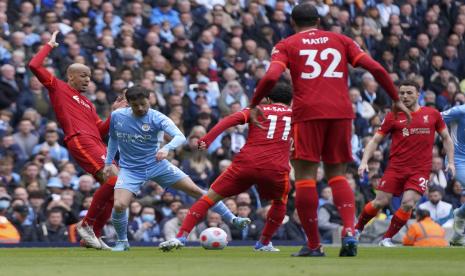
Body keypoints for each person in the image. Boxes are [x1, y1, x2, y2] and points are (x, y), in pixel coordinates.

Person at [248, 3, 410, 257]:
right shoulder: (341, 40)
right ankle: (349, 230)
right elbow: (377, 68)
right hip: (341, 113)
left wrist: (254, 104)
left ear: (293, 23)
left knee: (305, 178)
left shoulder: (286, 45)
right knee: (337, 174)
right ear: (319, 21)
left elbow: (271, 77)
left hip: (307, 114)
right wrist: (395, 98)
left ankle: (314, 245)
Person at [103, 86, 246, 251]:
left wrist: (166, 148)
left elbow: (180, 137)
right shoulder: (117, 116)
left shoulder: (157, 118)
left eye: (143, 103)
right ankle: (122, 242)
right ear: (129, 104)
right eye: (136, 105)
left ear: (150, 99)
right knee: (120, 205)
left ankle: (234, 219)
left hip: (157, 165)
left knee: (198, 192)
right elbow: (113, 139)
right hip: (130, 169)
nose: (141, 108)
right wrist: (108, 163)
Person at [159, 82, 293, 252]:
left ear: (267, 98)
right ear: (290, 100)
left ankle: (180, 238)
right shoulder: (296, 114)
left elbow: (229, 120)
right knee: (280, 203)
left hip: (245, 164)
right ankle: (263, 243)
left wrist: (207, 139)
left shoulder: (258, 109)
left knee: (209, 198)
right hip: (276, 168)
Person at [29, 31, 127, 249]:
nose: (88, 80)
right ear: (70, 76)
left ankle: (92, 237)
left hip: (97, 142)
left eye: (89, 77)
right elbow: (34, 66)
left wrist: (114, 113)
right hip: (80, 140)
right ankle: (87, 224)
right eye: (83, 75)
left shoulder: (88, 104)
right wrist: (49, 46)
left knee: (116, 187)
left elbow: (100, 130)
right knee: (114, 181)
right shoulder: (58, 87)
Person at [356, 80, 455, 247]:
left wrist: (450, 162)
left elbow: (446, 138)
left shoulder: (432, 114)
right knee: (379, 202)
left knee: (408, 204)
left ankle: (386, 238)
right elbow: (375, 140)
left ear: (418, 94)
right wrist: (364, 161)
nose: (405, 96)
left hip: (420, 170)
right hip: (396, 168)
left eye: (409, 93)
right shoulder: (393, 115)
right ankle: (357, 229)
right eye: (401, 93)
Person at [441, 103, 465, 245]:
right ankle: (460, 214)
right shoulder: (460, 110)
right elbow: (436, 119)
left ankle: (457, 237)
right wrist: (444, 139)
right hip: (457, 159)